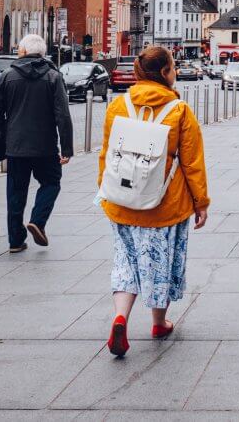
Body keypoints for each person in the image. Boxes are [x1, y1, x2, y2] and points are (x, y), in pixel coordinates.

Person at [99, 46, 209, 357]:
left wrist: (104, 190)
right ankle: (159, 322)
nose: (175, 72)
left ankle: (120, 316)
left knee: (125, 262)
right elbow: (192, 163)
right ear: (164, 73)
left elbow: (106, 155)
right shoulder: (179, 111)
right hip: (164, 205)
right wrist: (201, 202)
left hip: (122, 202)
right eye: (173, 67)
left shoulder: (118, 106)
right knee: (160, 264)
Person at [0, 33, 73, 252]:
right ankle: (38, 220)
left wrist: (6, 135)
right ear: (43, 53)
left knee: (15, 192)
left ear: (24, 51)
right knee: (51, 182)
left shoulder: (7, 76)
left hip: (16, 146)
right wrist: (67, 148)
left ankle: (16, 241)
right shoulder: (54, 76)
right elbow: (62, 115)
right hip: (45, 145)